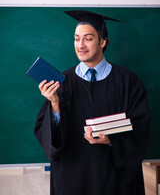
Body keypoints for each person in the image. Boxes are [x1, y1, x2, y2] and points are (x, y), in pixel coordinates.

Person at [34, 10, 150, 195]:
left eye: (88, 38)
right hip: (73, 176)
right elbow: (49, 139)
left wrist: (111, 140)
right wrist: (54, 104)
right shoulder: (61, 83)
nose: (80, 45)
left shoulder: (127, 81)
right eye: (76, 38)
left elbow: (141, 128)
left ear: (102, 41)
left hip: (114, 177)